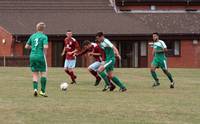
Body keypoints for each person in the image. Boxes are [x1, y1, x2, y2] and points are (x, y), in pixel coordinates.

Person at [25, 22, 48, 97]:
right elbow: (45, 47)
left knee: (35, 74)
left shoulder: (32, 36)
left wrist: (33, 48)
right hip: (40, 56)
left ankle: (35, 89)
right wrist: (44, 54)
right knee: (43, 73)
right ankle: (42, 91)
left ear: (36, 28)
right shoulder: (44, 37)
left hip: (32, 56)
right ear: (43, 28)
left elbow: (26, 46)